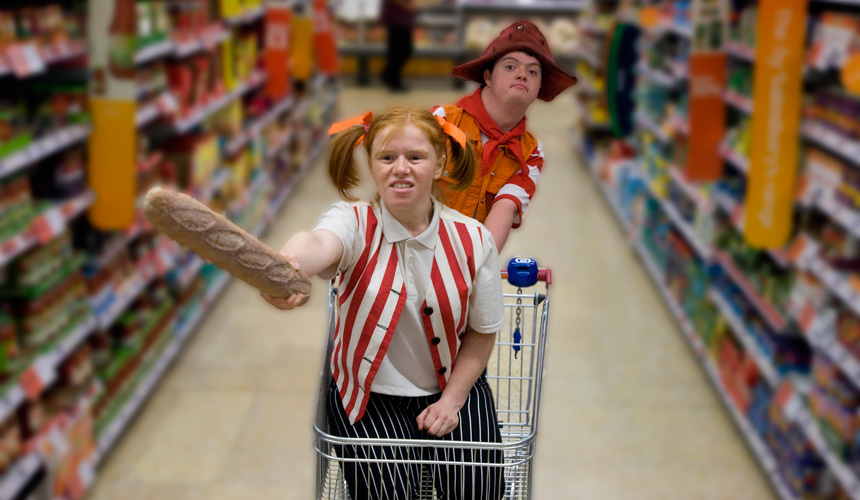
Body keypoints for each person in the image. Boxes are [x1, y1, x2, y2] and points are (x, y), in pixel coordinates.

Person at [262, 108, 506, 500]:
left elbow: (481, 331)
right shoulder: (354, 222)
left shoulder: (473, 240)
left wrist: (452, 401)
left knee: (479, 488)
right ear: (372, 164)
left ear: (441, 161)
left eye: (416, 157)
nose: (400, 169)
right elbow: (316, 242)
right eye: (387, 157)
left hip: (453, 384)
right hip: (367, 394)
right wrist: (284, 269)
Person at [433, 21, 578, 251]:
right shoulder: (440, 124)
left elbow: (504, 210)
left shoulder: (530, 154)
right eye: (510, 67)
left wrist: (474, 270)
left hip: (469, 264)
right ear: (488, 77)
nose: (522, 75)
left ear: (540, 87)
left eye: (532, 71)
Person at [380, 0, 416, 92]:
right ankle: (390, 76)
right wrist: (407, 5)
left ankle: (392, 77)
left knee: (397, 50)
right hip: (397, 19)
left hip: (400, 19)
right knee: (403, 50)